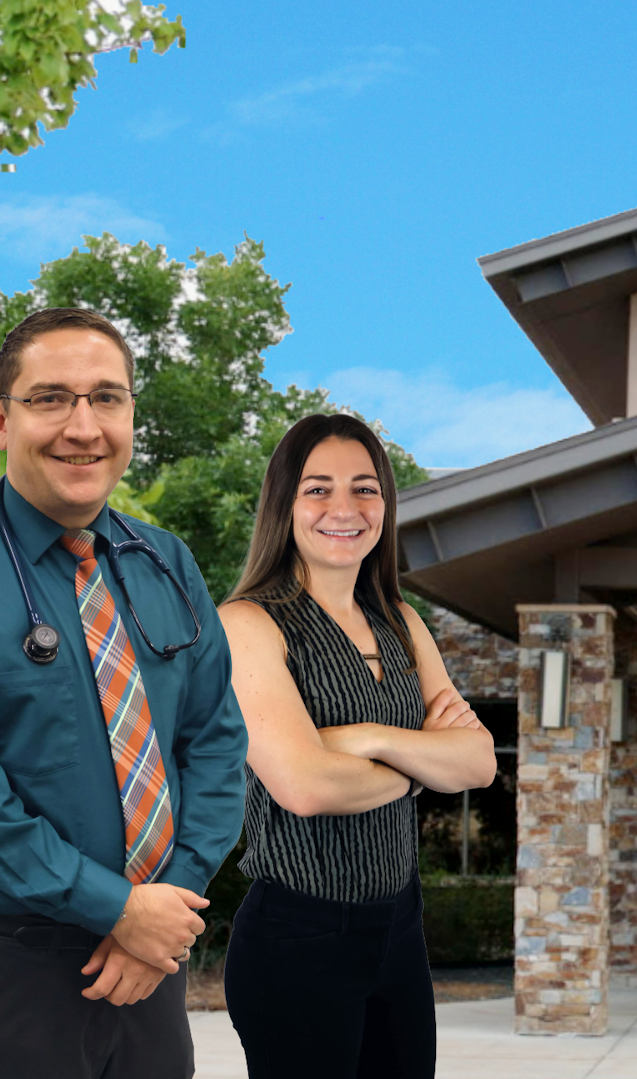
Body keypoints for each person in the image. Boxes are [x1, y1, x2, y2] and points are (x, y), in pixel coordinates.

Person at [0, 307, 248, 1077]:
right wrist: (117, 907)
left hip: (151, 960)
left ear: (131, 415)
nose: (82, 426)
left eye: (107, 398)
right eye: (50, 398)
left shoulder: (167, 564)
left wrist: (167, 909)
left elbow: (217, 743)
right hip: (17, 970)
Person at [218, 412, 497, 1079]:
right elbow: (306, 786)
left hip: (399, 931)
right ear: (285, 503)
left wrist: (371, 739)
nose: (343, 508)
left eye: (364, 488)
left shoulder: (401, 622)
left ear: (385, 505)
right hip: (296, 937)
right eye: (318, 488)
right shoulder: (247, 624)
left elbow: (480, 761)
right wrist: (423, 761)